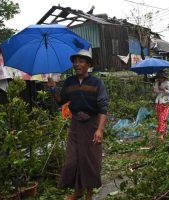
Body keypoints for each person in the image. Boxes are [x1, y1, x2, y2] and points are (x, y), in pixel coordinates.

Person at [47, 49, 108, 200]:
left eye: (81, 61)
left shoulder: (97, 83)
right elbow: (60, 101)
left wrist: (100, 130)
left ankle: (88, 193)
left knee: (89, 160)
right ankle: (78, 191)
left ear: (88, 64)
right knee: (73, 159)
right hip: (75, 125)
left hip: (92, 125)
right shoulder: (70, 82)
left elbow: (103, 108)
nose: (77, 64)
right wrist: (53, 88)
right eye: (75, 61)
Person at [153, 69, 169, 140]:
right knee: (159, 118)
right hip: (158, 102)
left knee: (163, 118)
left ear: (164, 77)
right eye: (158, 77)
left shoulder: (168, 83)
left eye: (161, 77)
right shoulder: (156, 83)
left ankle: (161, 134)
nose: (159, 78)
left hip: (166, 102)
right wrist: (158, 89)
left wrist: (164, 90)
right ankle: (165, 132)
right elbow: (155, 91)